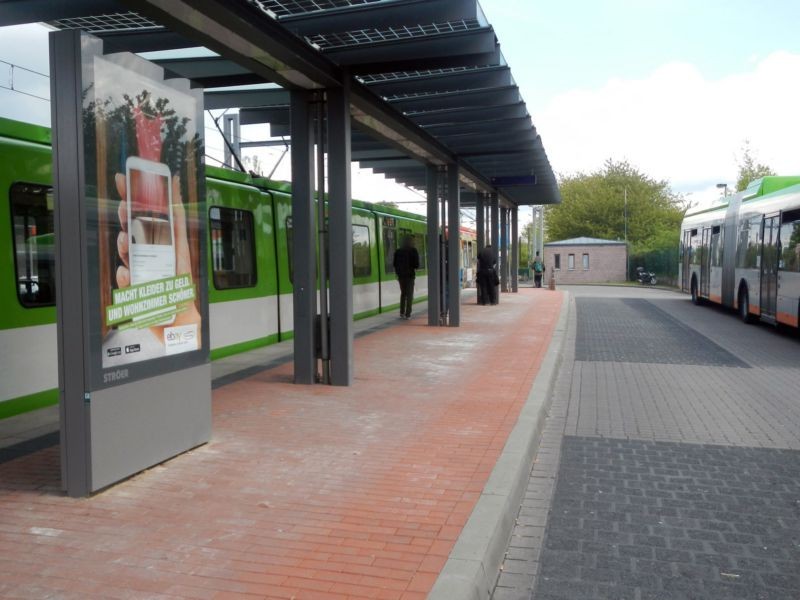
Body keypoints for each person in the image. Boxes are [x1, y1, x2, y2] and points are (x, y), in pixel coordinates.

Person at [393, 236, 420, 319]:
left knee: (403, 294)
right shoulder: (413, 251)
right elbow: (416, 265)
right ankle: (408, 314)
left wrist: (399, 272)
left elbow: (394, 264)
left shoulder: (398, 251)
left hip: (401, 276)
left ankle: (401, 312)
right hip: (410, 276)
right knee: (409, 295)